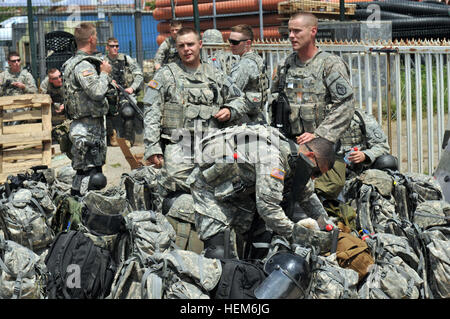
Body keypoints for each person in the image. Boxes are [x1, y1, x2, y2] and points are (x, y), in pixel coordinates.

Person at [189, 124, 336, 260]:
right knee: (220, 252)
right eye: (316, 172)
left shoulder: (297, 161)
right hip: (209, 189)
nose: (313, 177)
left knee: (261, 240)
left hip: (239, 194)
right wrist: (298, 234)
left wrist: (328, 226)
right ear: (310, 156)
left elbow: (308, 196)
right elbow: (268, 209)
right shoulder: (272, 158)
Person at [142, 27, 250, 196]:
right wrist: (152, 146)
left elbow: (240, 99)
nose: (186, 49)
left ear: (200, 44)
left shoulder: (215, 74)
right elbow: (151, 110)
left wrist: (230, 109)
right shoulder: (165, 75)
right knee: (174, 181)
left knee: (227, 181)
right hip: (180, 142)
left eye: (190, 44)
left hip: (211, 141)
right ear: (176, 48)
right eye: (181, 45)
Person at [271, 12, 355, 200]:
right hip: (289, 147)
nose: (291, 36)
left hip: (321, 152)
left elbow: (345, 105)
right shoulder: (286, 65)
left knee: (326, 188)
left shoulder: (330, 64)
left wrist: (319, 135)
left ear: (313, 31)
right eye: (289, 31)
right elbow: (274, 102)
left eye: (297, 31)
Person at [62, 22, 112, 196]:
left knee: (82, 174)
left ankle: (76, 210)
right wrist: (105, 73)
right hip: (88, 129)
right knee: (94, 178)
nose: (97, 39)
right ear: (91, 39)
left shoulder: (69, 63)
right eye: (96, 36)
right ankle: (88, 217)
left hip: (81, 126)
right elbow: (97, 92)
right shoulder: (84, 65)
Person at [104, 37, 144, 147]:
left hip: (124, 93)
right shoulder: (102, 61)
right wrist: (107, 80)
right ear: (107, 48)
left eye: (117, 46)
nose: (115, 48)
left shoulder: (126, 59)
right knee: (103, 110)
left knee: (128, 112)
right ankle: (112, 135)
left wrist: (132, 88)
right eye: (112, 46)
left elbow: (139, 74)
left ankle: (128, 139)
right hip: (107, 94)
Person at [228, 24, 269, 124]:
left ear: (248, 43)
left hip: (244, 120)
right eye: (230, 41)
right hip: (256, 117)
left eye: (235, 42)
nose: (231, 45)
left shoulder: (245, 64)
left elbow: (230, 93)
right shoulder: (257, 58)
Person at [338, 108, 390, 180]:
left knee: (387, 161)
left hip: (359, 172)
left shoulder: (360, 117)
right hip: (329, 172)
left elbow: (382, 146)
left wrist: (365, 155)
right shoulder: (321, 120)